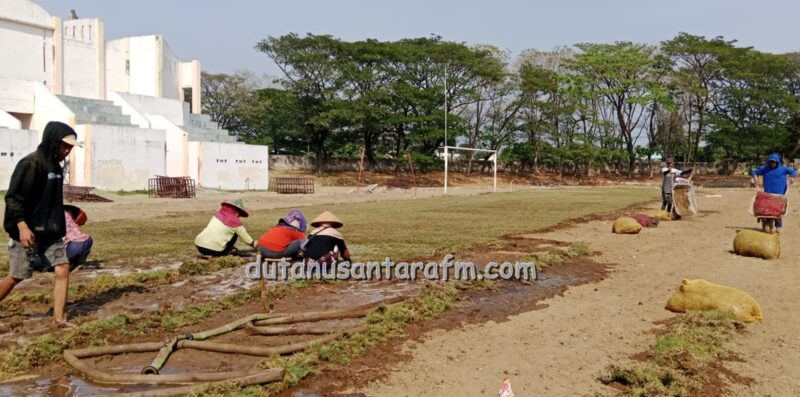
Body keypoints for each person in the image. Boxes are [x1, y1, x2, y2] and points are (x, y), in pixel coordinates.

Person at [1, 121, 81, 327]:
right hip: (26, 231)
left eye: (70, 147)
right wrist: (22, 227)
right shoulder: (30, 164)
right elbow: (13, 198)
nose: (67, 151)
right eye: (65, 146)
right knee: (17, 276)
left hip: (50, 232)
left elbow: (51, 201)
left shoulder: (56, 167)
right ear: (53, 142)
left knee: (63, 268)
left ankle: (58, 319)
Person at [752, 153, 797, 232]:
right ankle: (766, 222)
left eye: (774, 162)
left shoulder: (783, 169)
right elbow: (754, 172)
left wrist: (792, 178)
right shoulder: (765, 169)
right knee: (768, 210)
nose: (773, 163)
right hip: (769, 194)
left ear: (777, 162)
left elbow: (793, 172)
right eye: (771, 162)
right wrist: (755, 177)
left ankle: (778, 224)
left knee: (778, 210)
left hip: (780, 194)